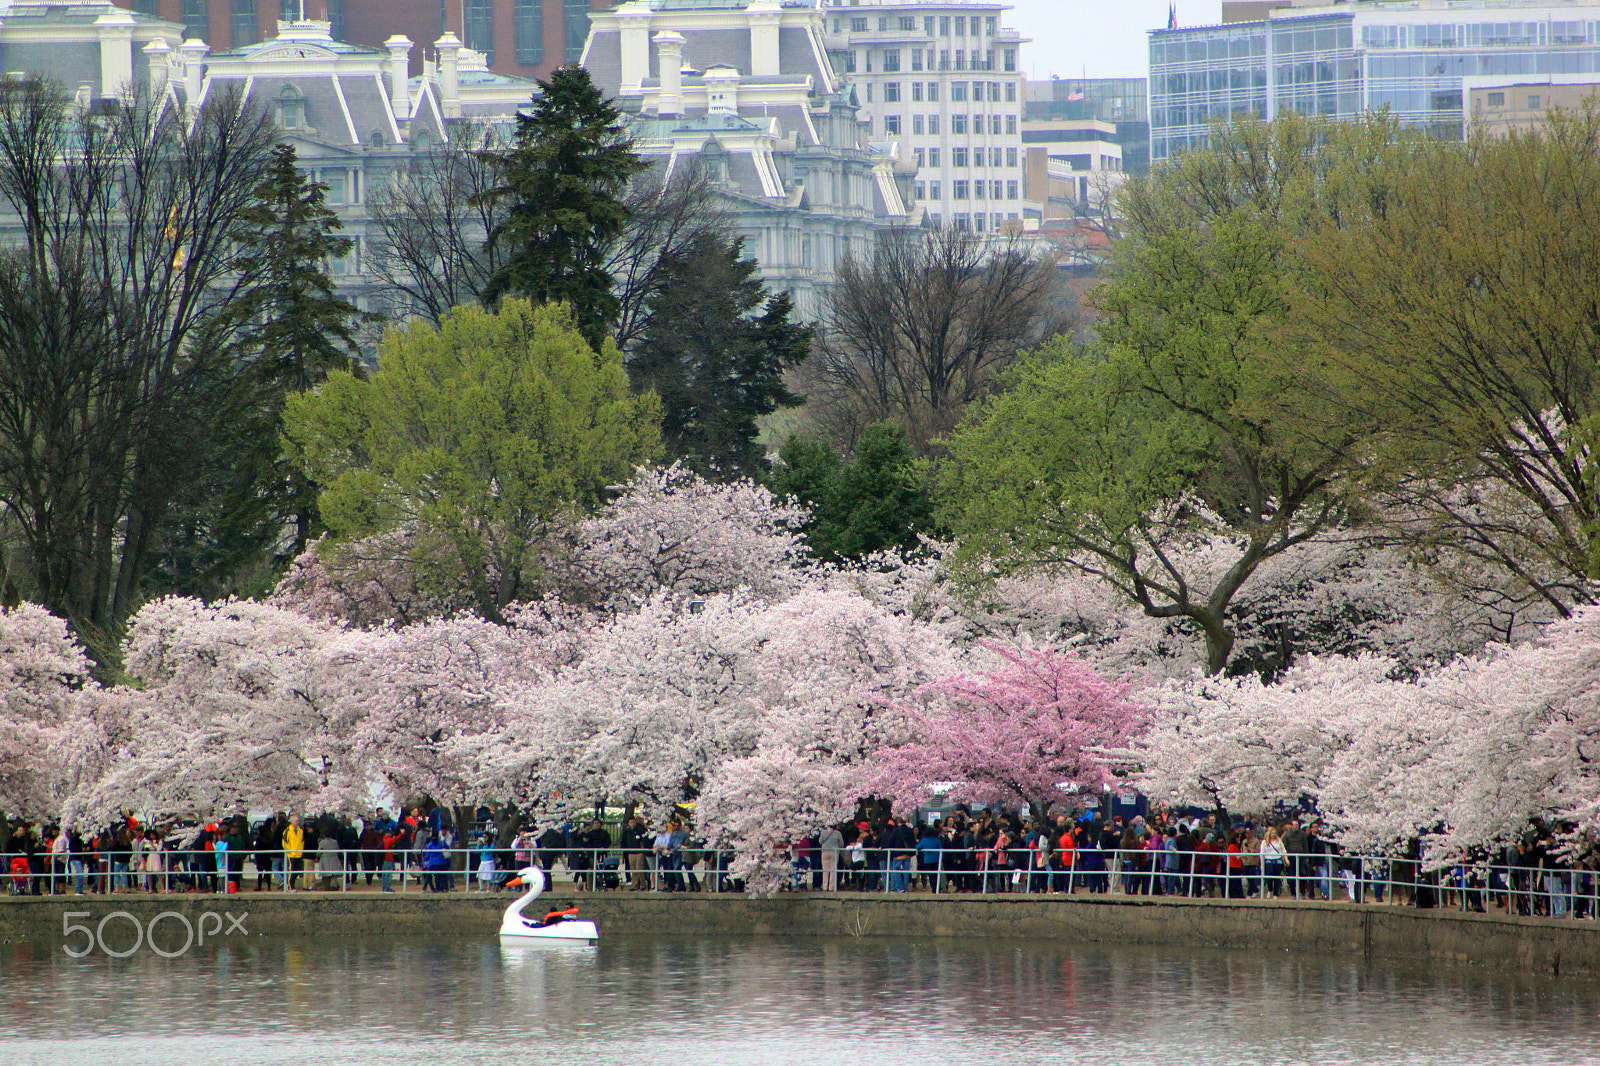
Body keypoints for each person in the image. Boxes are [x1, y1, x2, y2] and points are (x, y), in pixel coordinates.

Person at [283, 814, 306, 891]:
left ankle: (292, 884)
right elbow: (284, 842)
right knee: (291, 871)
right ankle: (291, 886)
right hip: (291, 855)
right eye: (296, 821)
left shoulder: (301, 831)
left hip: (299, 854)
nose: (298, 822)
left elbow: (302, 841)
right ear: (292, 822)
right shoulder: (287, 831)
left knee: (299, 870)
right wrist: (289, 850)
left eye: (298, 821)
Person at [819, 823, 844, 892]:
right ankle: (831, 886)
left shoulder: (823, 832)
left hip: (825, 851)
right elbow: (841, 843)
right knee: (833, 869)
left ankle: (825, 886)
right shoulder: (838, 833)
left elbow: (820, 841)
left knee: (825, 869)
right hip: (834, 852)